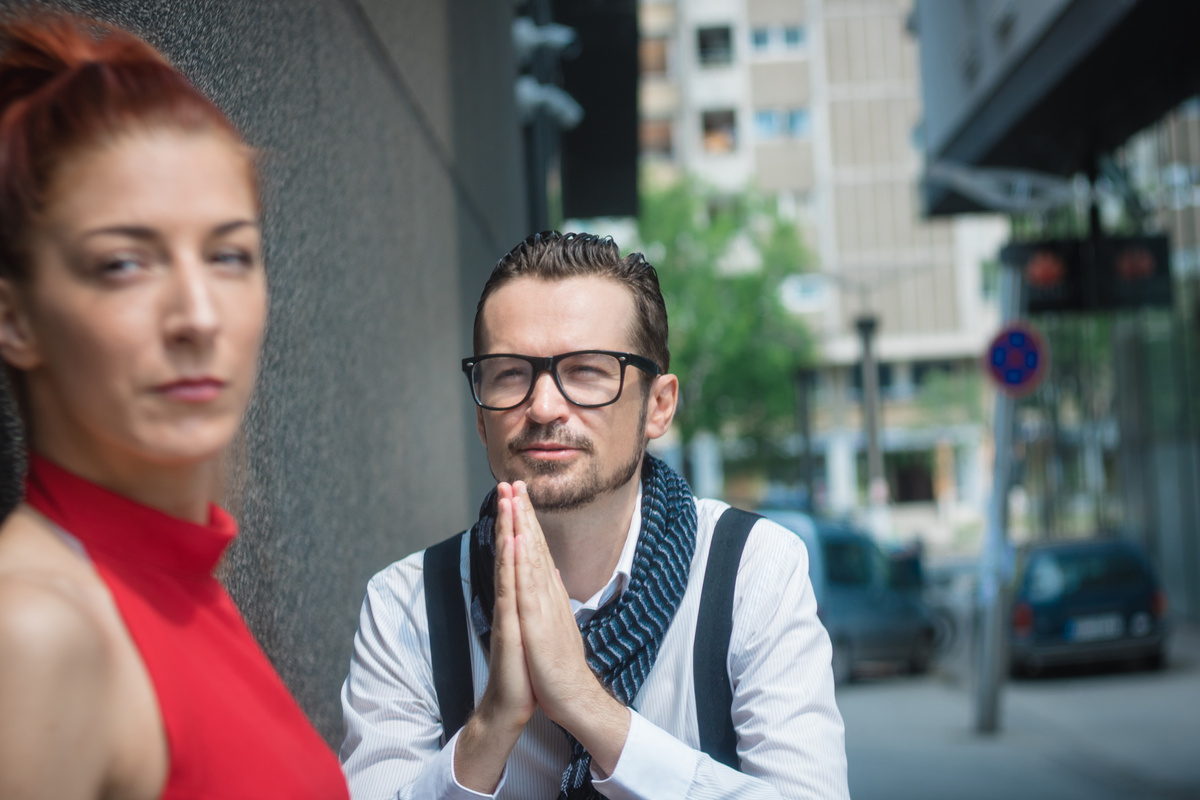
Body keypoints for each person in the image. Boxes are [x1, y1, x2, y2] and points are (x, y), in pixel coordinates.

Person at [340, 231, 848, 799]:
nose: (543, 405)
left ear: (658, 406)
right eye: (510, 372)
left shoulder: (752, 571)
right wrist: (492, 724)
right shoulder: (407, 606)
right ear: (481, 417)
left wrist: (584, 703)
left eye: (586, 371)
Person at [0, 14, 348, 799]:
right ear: (14, 317)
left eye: (229, 255)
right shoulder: (34, 632)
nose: (198, 313)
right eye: (124, 264)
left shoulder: (188, 591)